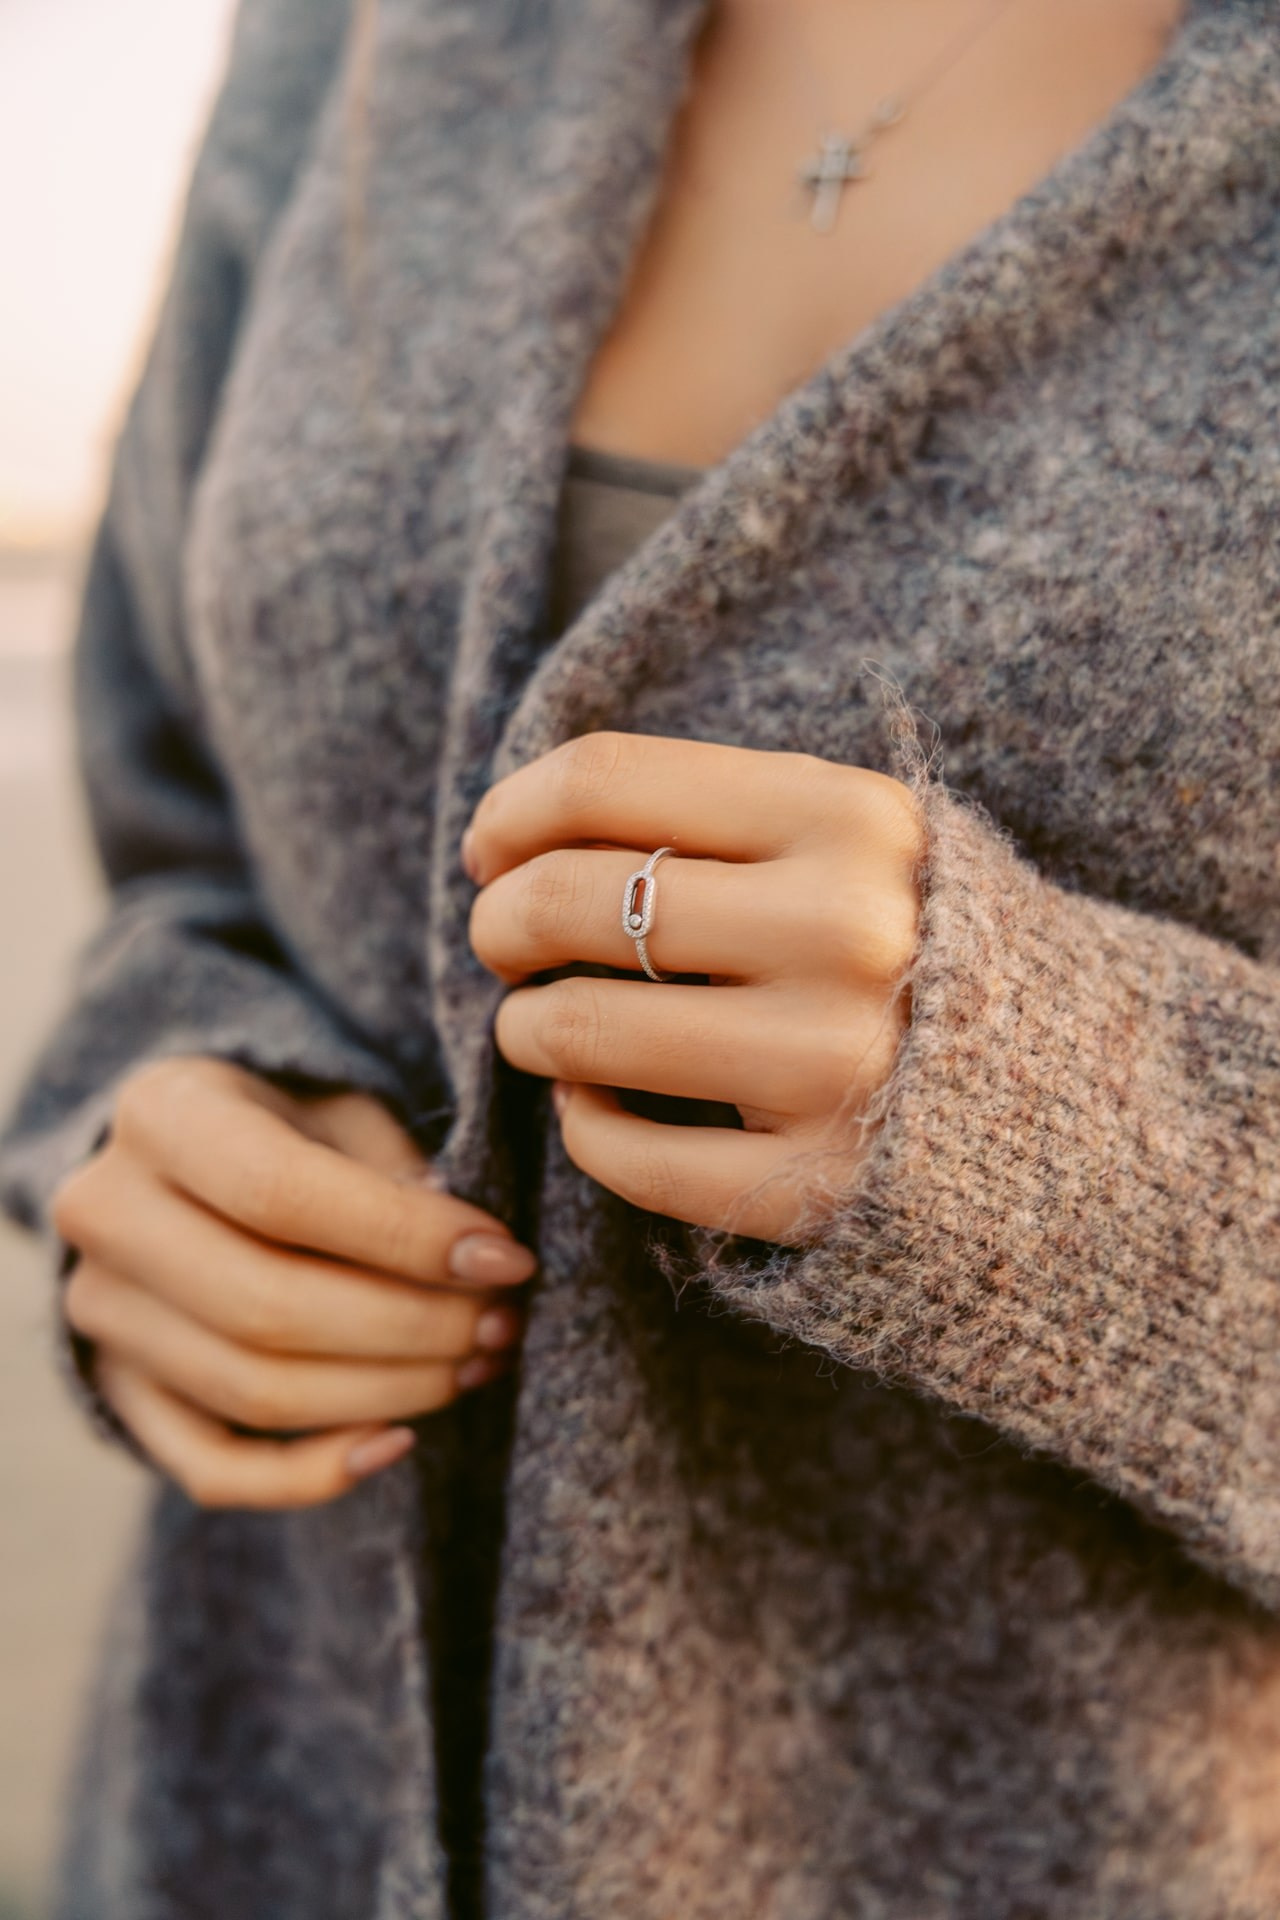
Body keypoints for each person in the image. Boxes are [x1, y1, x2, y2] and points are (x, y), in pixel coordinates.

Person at [3, 0, 1278, 1912]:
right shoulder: (358, 33)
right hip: (245, 1815)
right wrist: (171, 1127)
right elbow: (179, 813)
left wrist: (1054, 1109)